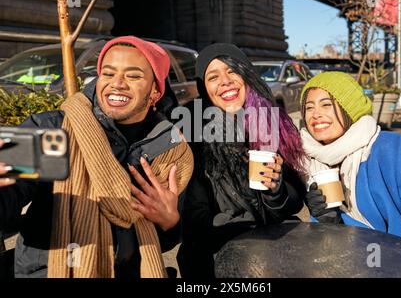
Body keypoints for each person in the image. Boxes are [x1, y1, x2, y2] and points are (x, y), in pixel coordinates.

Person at [0, 36, 194, 277]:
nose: (117, 83)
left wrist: (170, 222)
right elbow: (8, 197)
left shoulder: (169, 149)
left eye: (133, 76)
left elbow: (161, 243)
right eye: (108, 73)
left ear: (155, 91)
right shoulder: (52, 131)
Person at [176, 43, 307, 278]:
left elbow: (294, 201)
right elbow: (193, 220)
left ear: (246, 76)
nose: (225, 81)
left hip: (271, 259)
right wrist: (248, 226)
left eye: (232, 71)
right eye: (213, 77)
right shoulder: (193, 136)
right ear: (205, 89)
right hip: (215, 264)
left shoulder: (272, 124)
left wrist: (275, 192)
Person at [300, 71, 401, 259]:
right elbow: (329, 246)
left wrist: (395, 268)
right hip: (358, 261)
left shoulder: (394, 150)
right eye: (309, 107)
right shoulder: (314, 162)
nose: (316, 115)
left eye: (326, 105)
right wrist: (328, 221)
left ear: (349, 108)